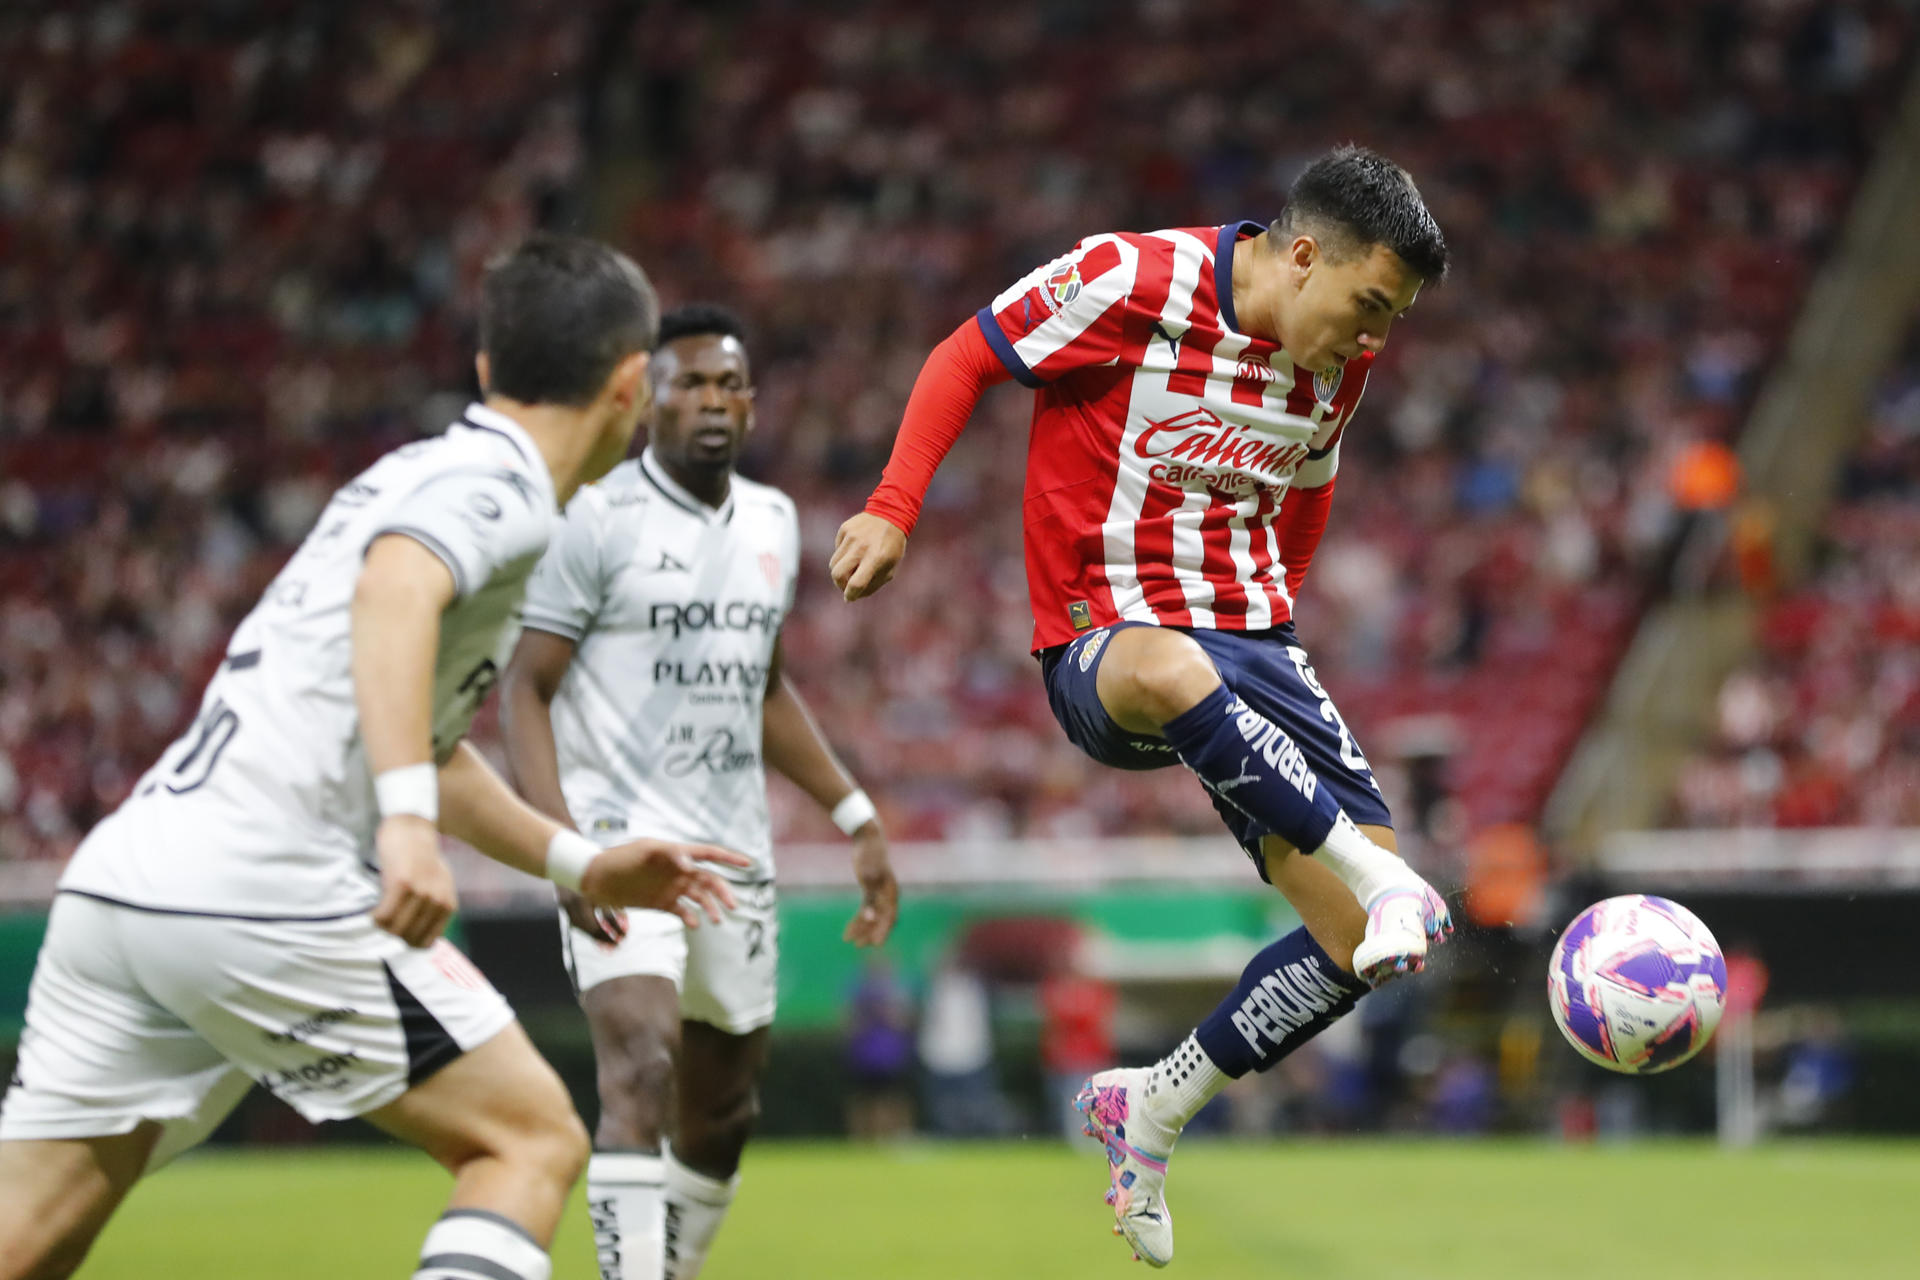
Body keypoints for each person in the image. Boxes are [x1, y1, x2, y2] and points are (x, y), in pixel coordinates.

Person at [0, 234, 751, 1280]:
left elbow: (418, 734)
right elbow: (395, 593)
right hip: (265, 880)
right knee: (527, 1139)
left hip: (133, 883)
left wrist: (575, 862)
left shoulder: (420, 471)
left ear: (488, 369)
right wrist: (401, 822)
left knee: (23, 1242)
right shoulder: (500, 486)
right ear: (633, 386)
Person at [831, 146, 1455, 1267]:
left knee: (1366, 945)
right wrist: (892, 506)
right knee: (1178, 674)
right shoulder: (1130, 280)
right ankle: (1380, 875)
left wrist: (1276, 628)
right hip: (1105, 641)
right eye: (1370, 305)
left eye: (1393, 319)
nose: (1375, 339)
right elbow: (965, 354)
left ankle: (1155, 1104)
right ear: (1303, 254)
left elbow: (1306, 488)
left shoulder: (1336, 365)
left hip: (1251, 643)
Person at [500, 303, 899, 1280]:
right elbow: (526, 685)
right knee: (639, 1068)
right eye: (690, 385)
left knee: (721, 1114)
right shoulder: (594, 518)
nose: (712, 401)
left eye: (729, 384)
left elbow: (761, 686)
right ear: (648, 401)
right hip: (619, 842)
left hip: (735, 854)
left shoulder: (772, 521)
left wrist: (854, 811)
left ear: (752, 405)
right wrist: (561, 848)